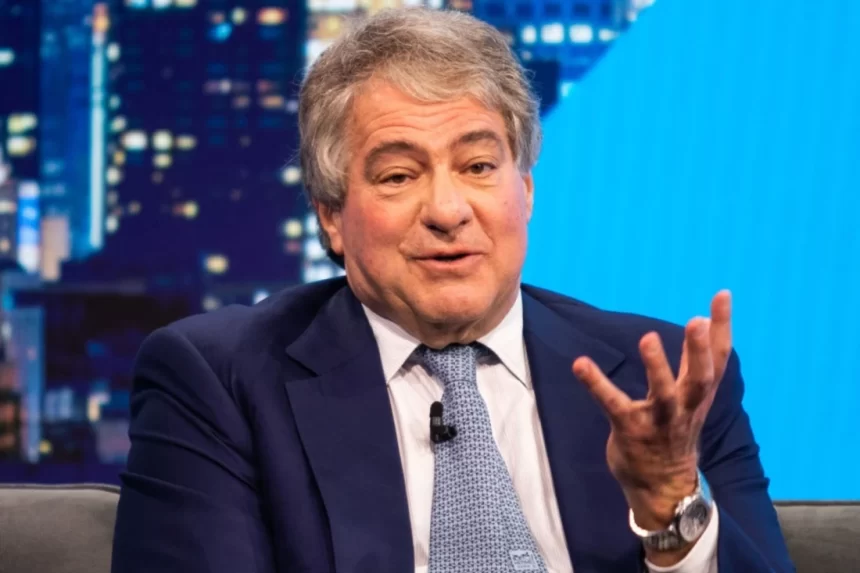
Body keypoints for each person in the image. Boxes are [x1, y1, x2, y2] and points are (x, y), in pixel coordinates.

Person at [111, 7, 793, 573]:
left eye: (478, 165)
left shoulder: (666, 383)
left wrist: (671, 509)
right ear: (332, 215)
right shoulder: (221, 382)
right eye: (398, 176)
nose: (447, 209)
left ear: (526, 191)